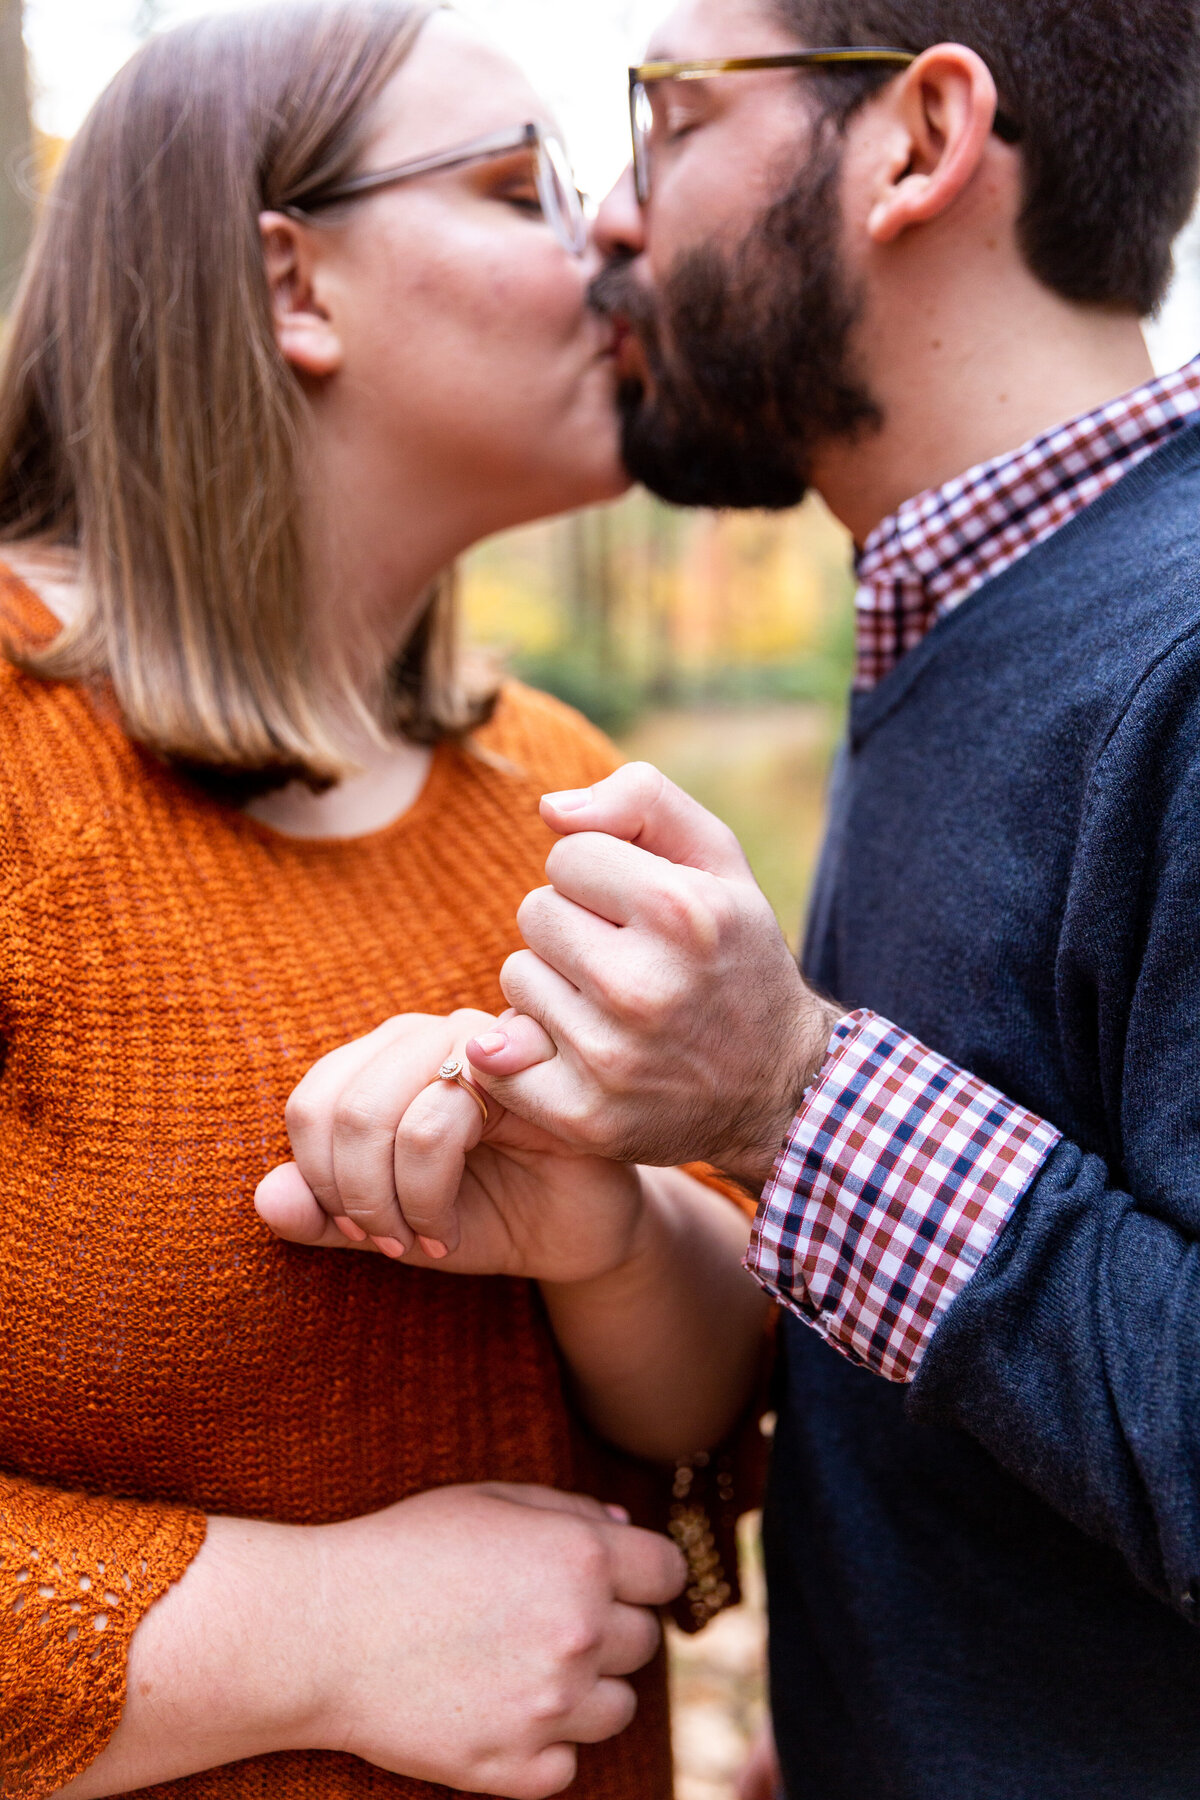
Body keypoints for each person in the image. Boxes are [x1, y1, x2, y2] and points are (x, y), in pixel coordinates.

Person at [264, 0, 1200, 1794]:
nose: (610, 217)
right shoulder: (967, 621)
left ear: (919, 144)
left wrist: (792, 1094)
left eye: (671, 119)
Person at [0, 4, 771, 1796]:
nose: (615, 248)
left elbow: (716, 1418)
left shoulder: (568, 785)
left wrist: (612, 1228)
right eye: (519, 189)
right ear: (292, 283)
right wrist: (315, 1637)